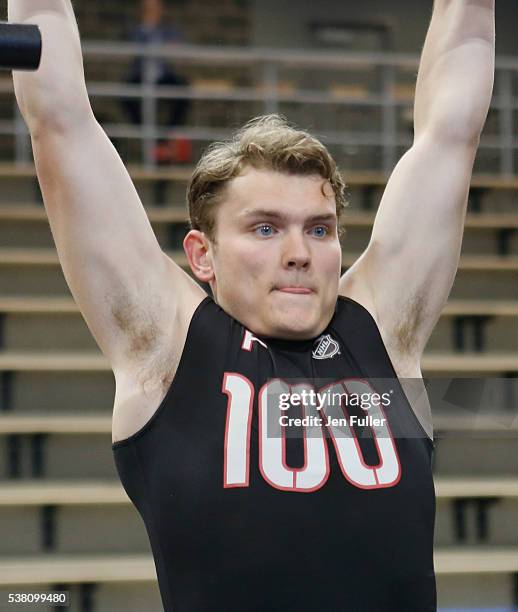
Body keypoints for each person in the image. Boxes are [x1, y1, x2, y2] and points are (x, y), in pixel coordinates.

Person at [9, 0, 494, 610]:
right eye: (265, 229)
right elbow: (60, 120)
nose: (300, 252)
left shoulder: (383, 331)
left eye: (319, 230)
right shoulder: (164, 345)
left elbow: (452, 132)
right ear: (202, 255)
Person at [122, 0, 191, 163]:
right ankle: (153, 140)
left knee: (182, 91)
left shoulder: (168, 30)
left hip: (162, 76)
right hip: (140, 76)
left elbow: (178, 50)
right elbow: (129, 49)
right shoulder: (136, 30)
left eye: (155, 9)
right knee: (126, 95)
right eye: (148, 9)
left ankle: (166, 137)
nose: (152, 12)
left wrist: (171, 49)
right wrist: (147, 29)